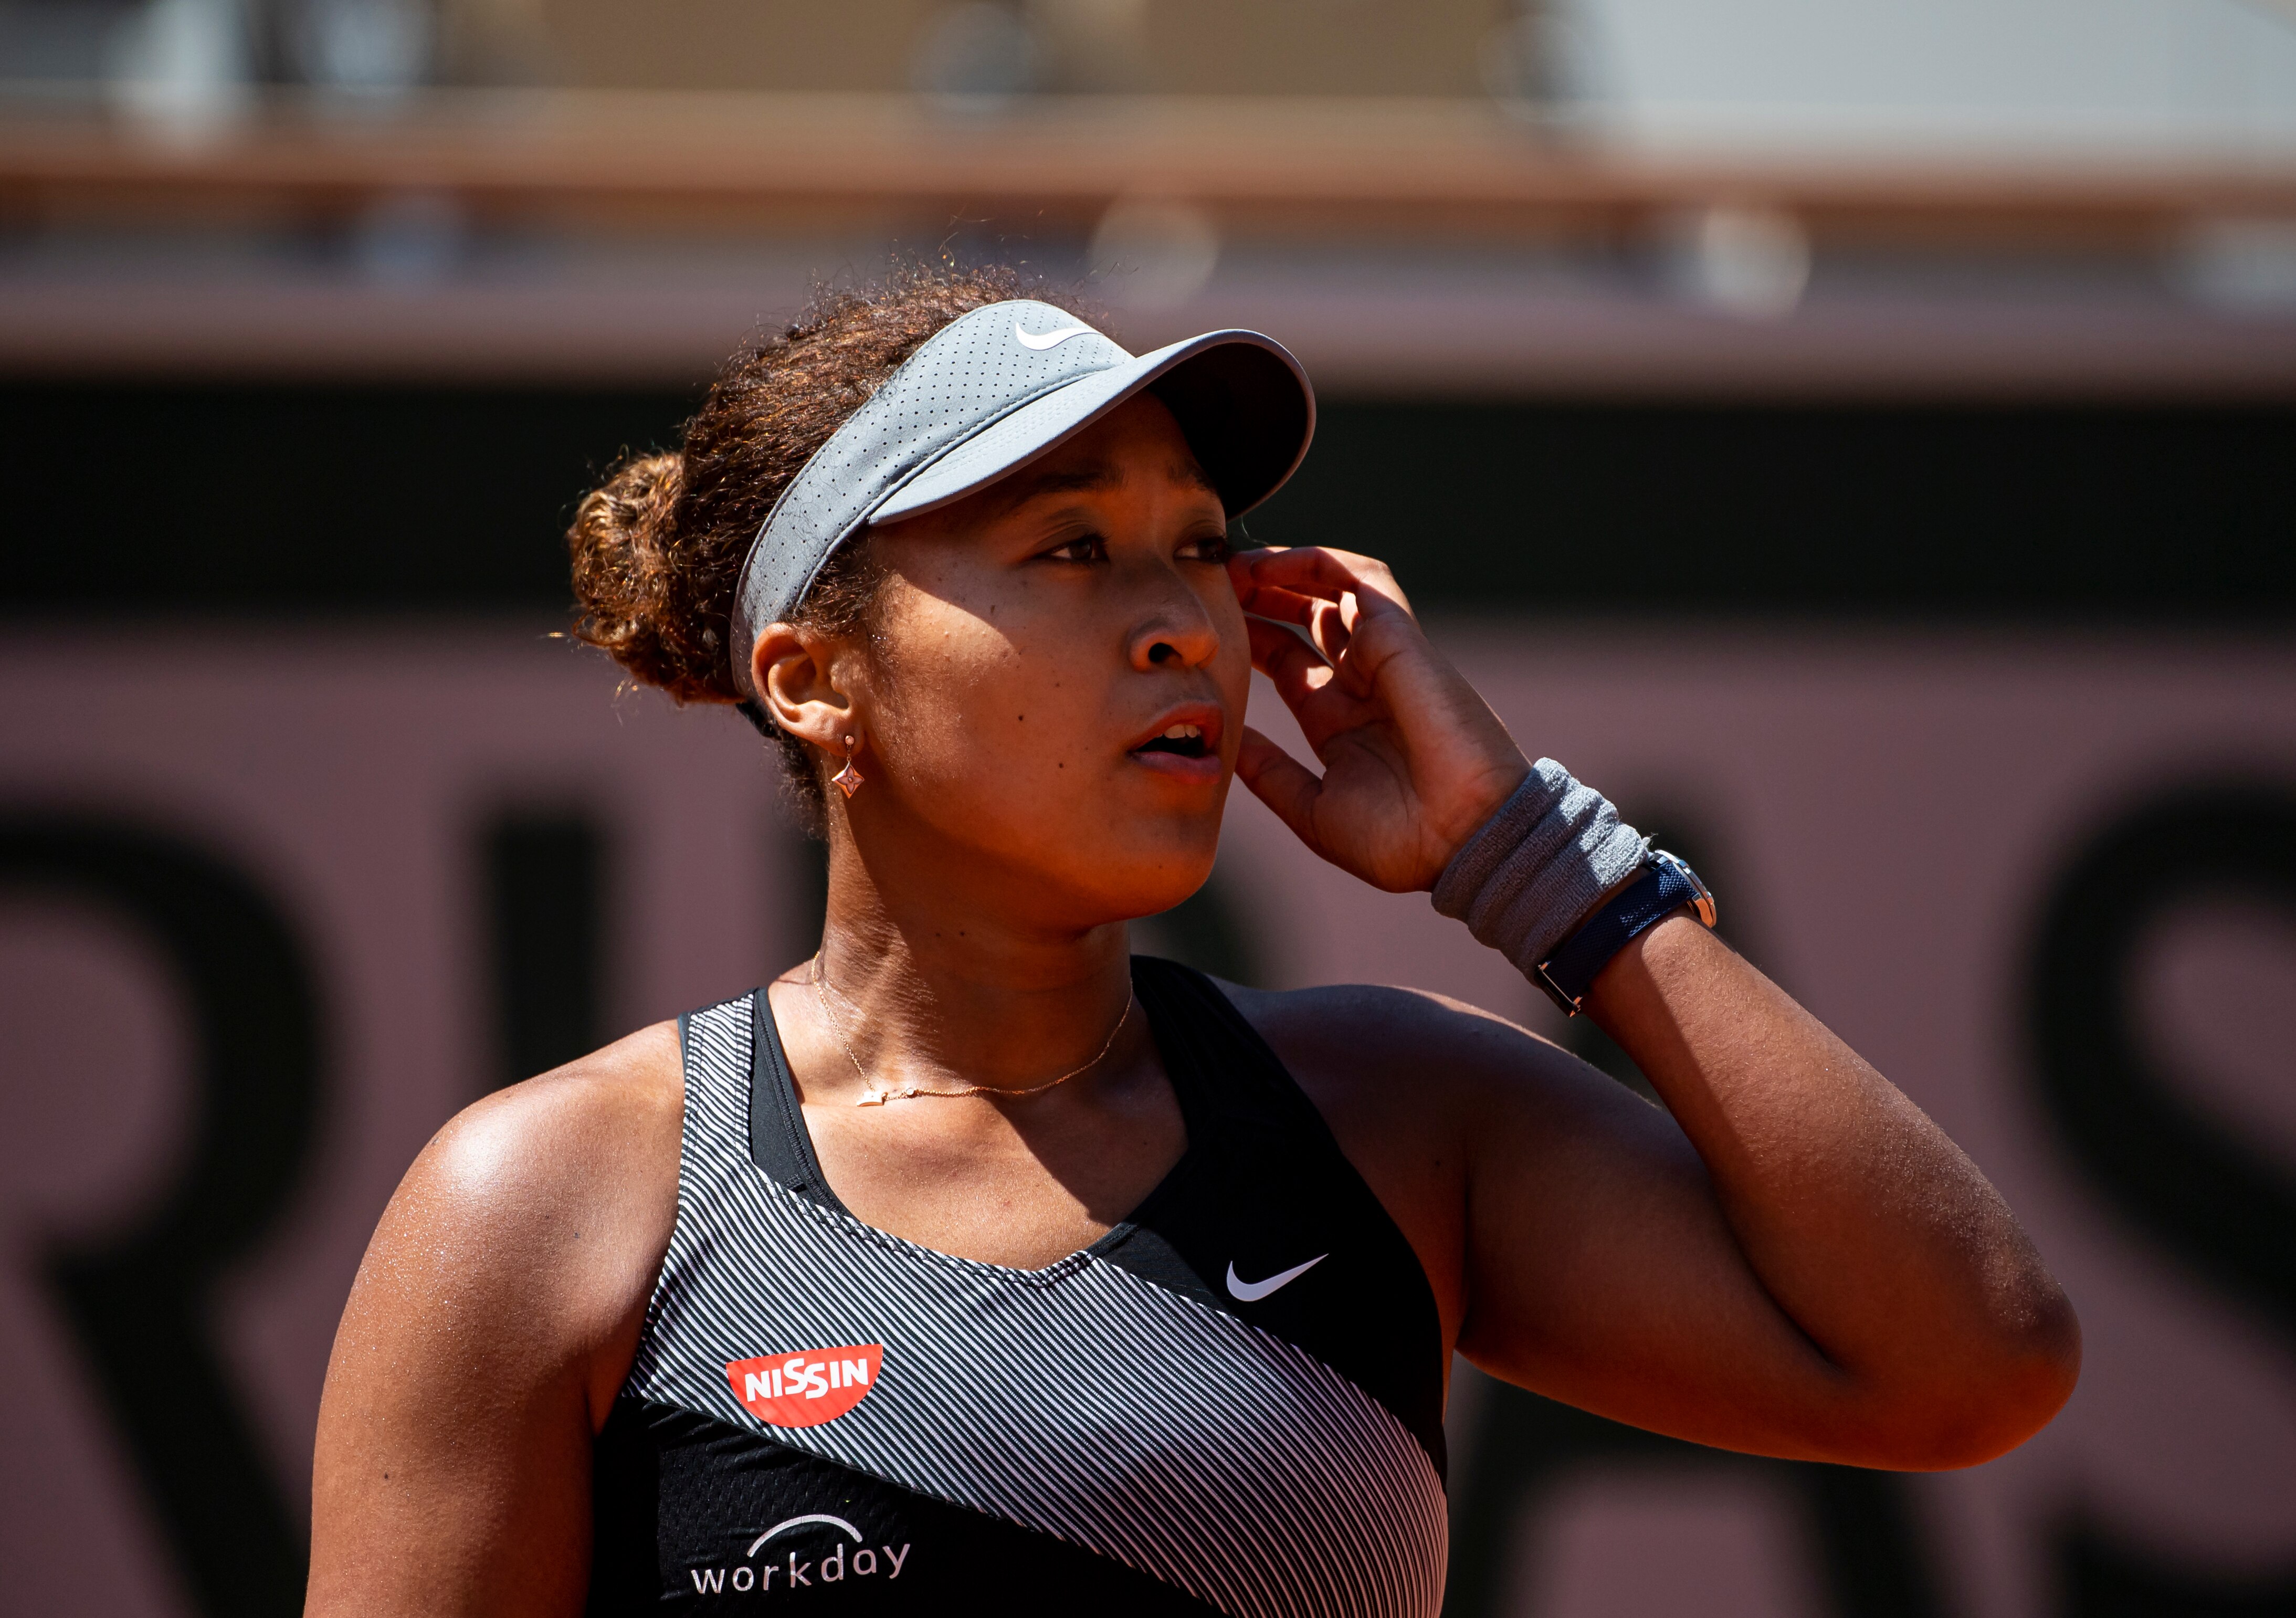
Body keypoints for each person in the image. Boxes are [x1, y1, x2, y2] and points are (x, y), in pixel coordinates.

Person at [307, 265, 2079, 1617]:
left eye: (1200, 546)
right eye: (1072, 547)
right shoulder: (546, 1204)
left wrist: (1535, 862)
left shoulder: (1394, 1115)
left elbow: (1972, 1359)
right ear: (815, 678)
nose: (1179, 622)